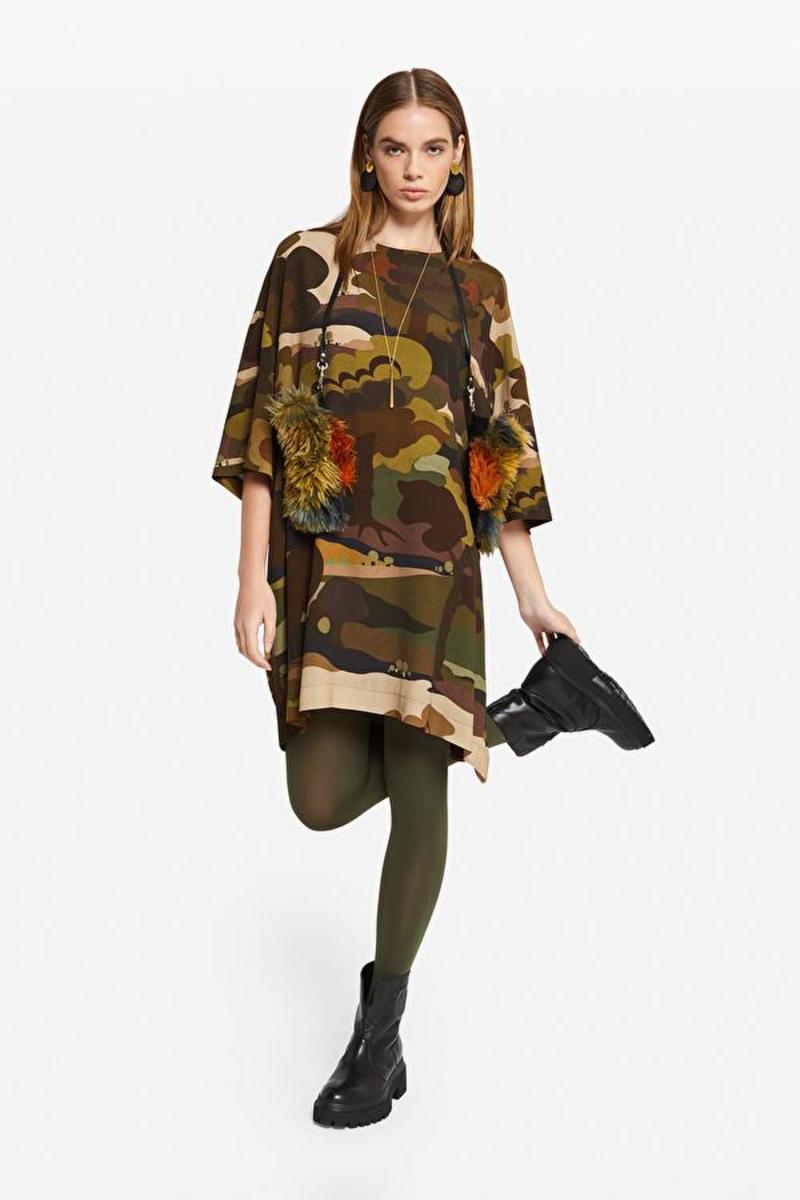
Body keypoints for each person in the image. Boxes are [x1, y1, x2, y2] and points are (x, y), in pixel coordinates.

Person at [211, 68, 651, 1129]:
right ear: (368, 155)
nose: (414, 168)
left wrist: (534, 597)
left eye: (434, 148)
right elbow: (263, 427)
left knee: (421, 789)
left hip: (435, 575)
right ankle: (534, 716)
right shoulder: (307, 262)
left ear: (458, 159)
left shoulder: (477, 287)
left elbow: (502, 449)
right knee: (319, 799)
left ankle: (377, 1042)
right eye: (396, 147)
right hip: (324, 568)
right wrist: (248, 577)